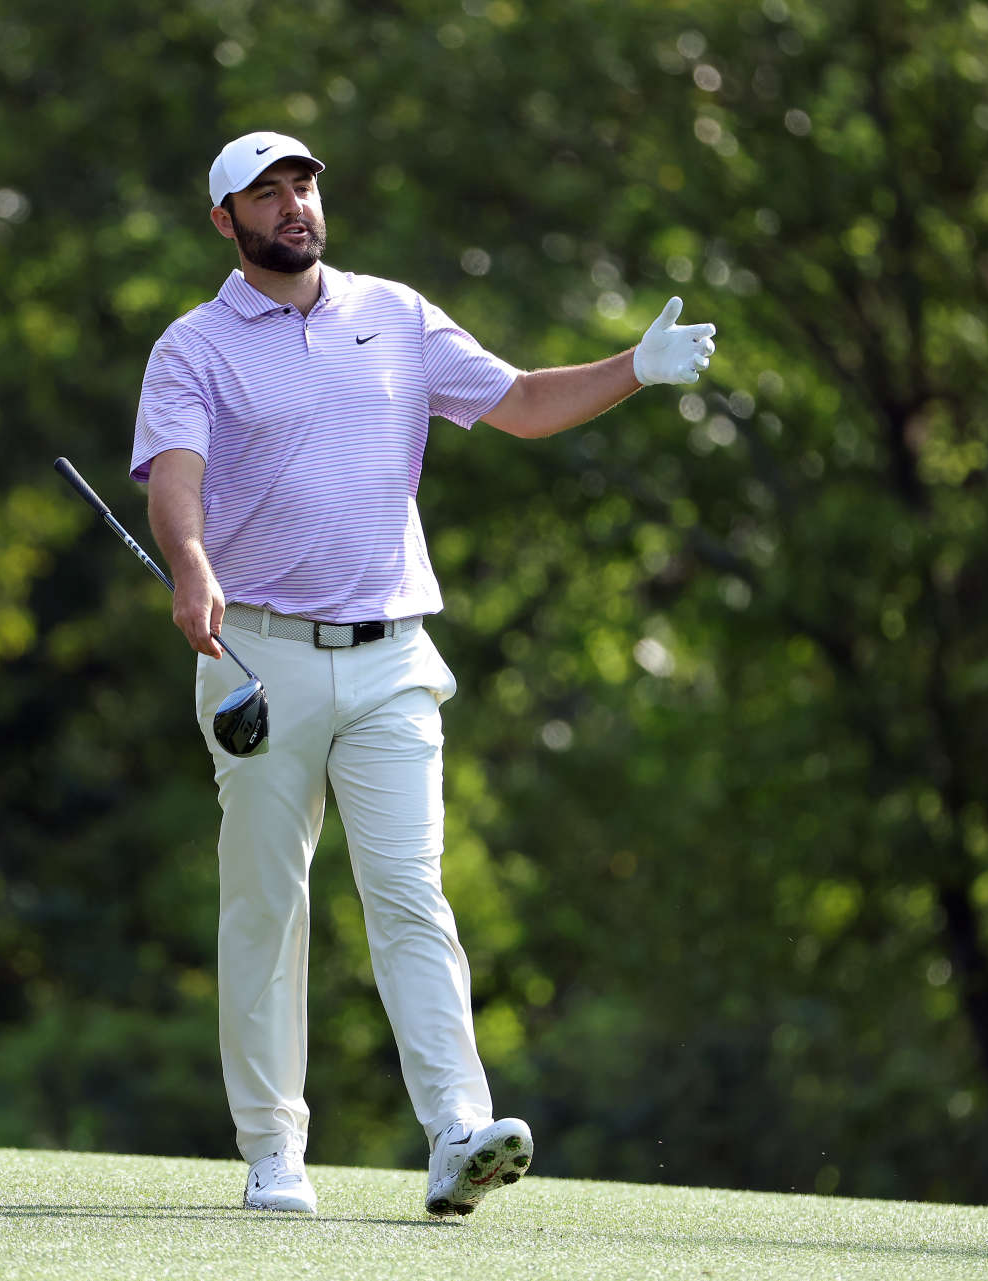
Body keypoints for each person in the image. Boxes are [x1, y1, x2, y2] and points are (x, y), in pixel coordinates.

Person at [131, 132, 716, 1217]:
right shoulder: (194, 347)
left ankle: (455, 1130)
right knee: (268, 905)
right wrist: (192, 562)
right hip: (255, 654)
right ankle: (273, 1151)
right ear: (225, 222)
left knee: (411, 890)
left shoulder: (394, 313)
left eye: (302, 184)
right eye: (266, 194)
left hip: (395, 654)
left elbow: (526, 402)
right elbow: (178, 476)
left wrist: (632, 368)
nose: (293, 206)